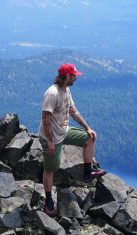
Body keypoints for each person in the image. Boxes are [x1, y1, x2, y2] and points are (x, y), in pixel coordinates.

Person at [39, 63, 106, 214]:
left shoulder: (66, 90)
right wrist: (49, 142)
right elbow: (45, 118)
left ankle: (88, 172)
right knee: (50, 169)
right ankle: (48, 200)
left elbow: (73, 111)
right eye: (74, 76)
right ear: (67, 76)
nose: (76, 78)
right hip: (52, 137)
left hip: (64, 131)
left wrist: (87, 128)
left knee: (89, 138)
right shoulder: (52, 93)